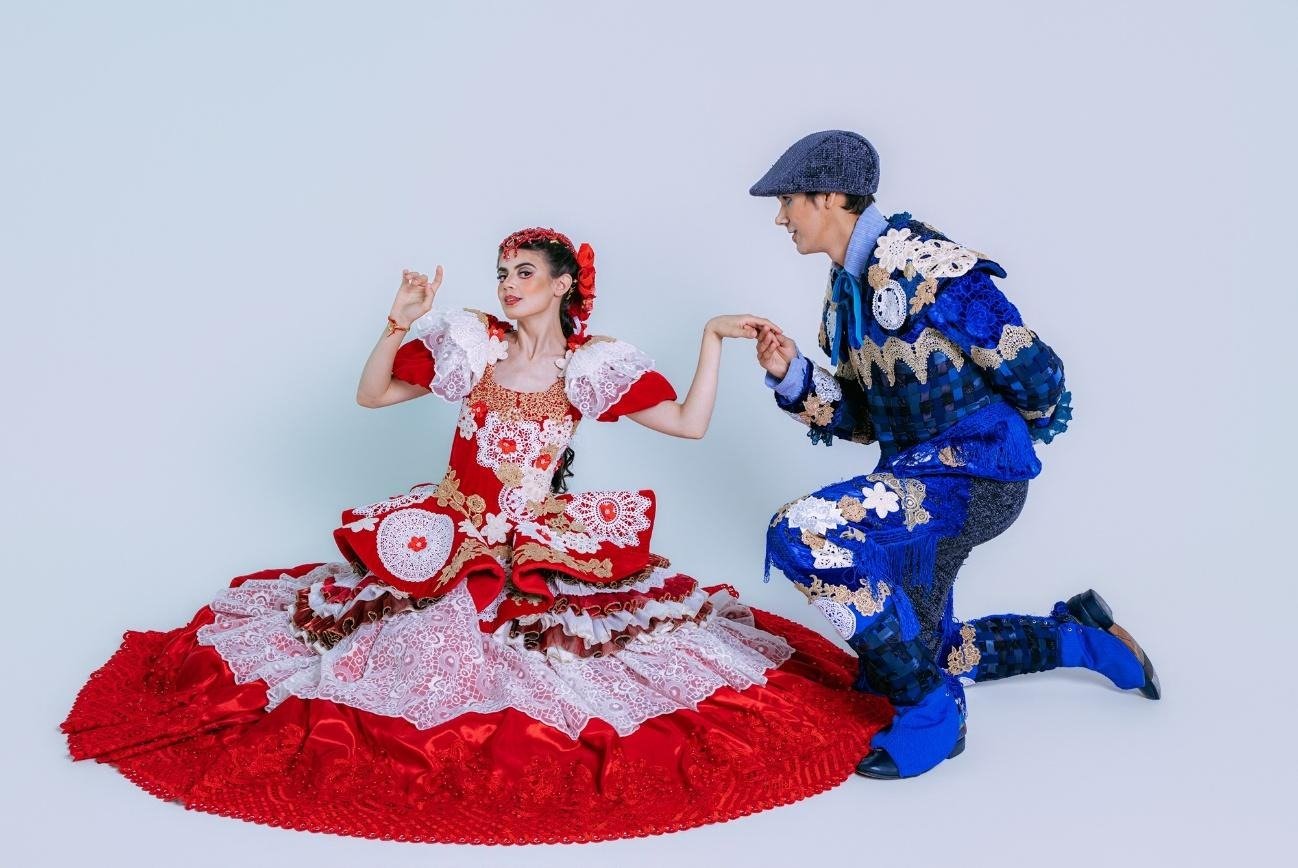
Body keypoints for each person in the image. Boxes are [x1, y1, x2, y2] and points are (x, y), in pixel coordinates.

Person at [62, 227, 891, 843]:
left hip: (533, 539)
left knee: (570, 659)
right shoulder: (474, 346)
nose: (508, 284)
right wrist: (396, 323)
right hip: (452, 528)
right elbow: (373, 396)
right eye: (502, 273)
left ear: (563, 284)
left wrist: (710, 339)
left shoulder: (588, 365)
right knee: (397, 645)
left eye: (524, 272)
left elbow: (687, 423)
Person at [749, 131, 1160, 779]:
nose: (780, 217)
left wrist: (995, 442)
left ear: (829, 197)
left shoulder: (926, 264)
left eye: (788, 200)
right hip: (913, 481)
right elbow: (865, 418)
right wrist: (792, 374)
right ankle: (1086, 640)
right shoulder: (845, 290)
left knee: (802, 532)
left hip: (973, 478)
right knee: (929, 649)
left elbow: (1037, 371)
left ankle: (932, 713)